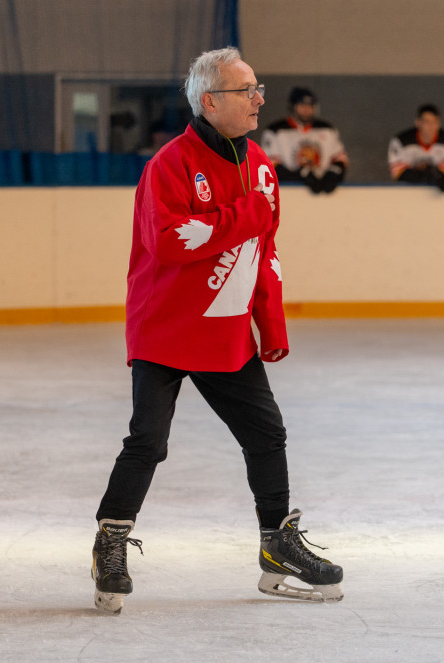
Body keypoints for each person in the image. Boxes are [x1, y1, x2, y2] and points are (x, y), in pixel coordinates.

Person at [90, 47, 344, 615]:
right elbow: (172, 242)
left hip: (227, 334)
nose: (259, 99)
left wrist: (269, 323)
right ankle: (109, 542)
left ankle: (276, 546)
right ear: (210, 101)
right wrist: (246, 214)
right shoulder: (170, 165)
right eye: (245, 90)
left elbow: (264, 251)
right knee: (148, 442)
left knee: (266, 435)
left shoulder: (259, 164)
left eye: (258, 87)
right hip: (164, 329)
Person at [260, 86, 348, 194]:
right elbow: (270, 165)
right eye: (302, 106)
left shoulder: (327, 129)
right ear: (293, 107)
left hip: (322, 193)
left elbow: (340, 159)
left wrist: (333, 173)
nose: (306, 110)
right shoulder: (275, 131)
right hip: (288, 193)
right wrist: (299, 176)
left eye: (310, 106)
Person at [388, 103, 444, 192]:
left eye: (434, 122)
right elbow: (397, 175)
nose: (430, 126)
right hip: (407, 194)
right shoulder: (401, 142)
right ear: (418, 122)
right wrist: (426, 173)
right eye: (426, 122)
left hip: (439, 199)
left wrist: (430, 172)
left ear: (439, 123)